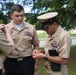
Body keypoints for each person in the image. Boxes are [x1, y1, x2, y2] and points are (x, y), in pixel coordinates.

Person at [4, 4, 39, 75]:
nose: (20, 18)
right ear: (11, 15)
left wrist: (36, 64)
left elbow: (36, 45)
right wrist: (2, 66)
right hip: (11, 63)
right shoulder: (5, 29)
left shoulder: (31, 28)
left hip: (27, 63)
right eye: (17, 16)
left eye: (22, 15)